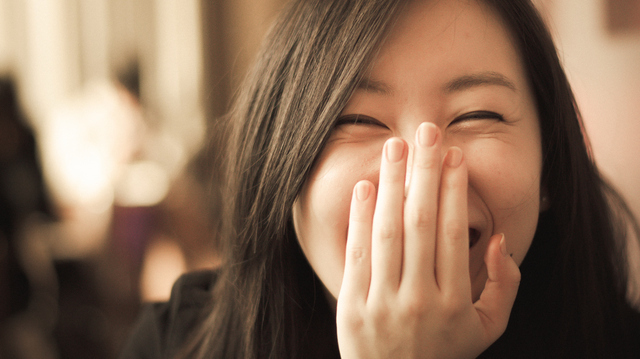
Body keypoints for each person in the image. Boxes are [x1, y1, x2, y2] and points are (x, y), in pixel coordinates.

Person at [120, 0, 640, 358]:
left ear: (550, 165)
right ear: (283, 169)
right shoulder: (177, 345)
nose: (418, 180)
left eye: (477, 115)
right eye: (357, 121)